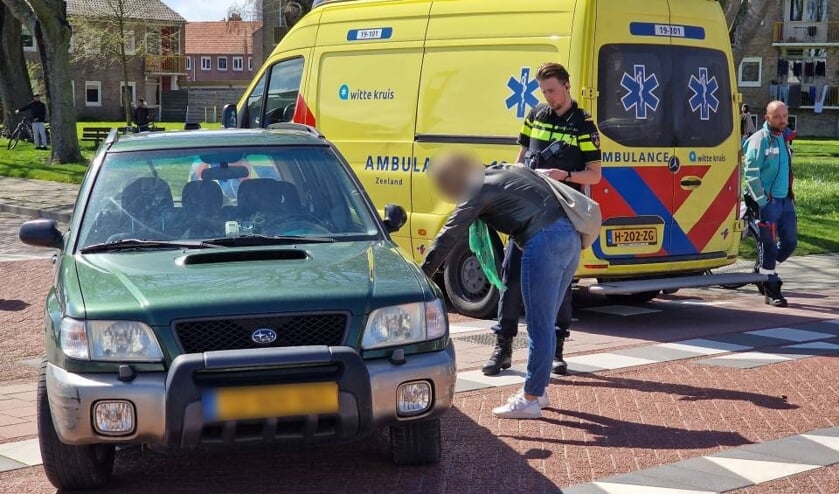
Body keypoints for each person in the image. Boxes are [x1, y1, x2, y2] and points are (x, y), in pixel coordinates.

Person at [422, 151, 581, 419]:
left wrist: (422, 275)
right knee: (547, 320)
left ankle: (530, 398)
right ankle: (539, 390)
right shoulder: (503, 170)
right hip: (570, 237)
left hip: (542, 241)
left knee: (538, 325)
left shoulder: (477, 188)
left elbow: (449, 234)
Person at [483, 62, 602, 377]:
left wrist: (565, 173)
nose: (548, 97)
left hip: (561, 217)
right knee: (511, 279)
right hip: (525, 216)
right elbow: (520, 159)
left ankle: (557, 350)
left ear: (566, 85)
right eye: (544, 91)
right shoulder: (535, 116)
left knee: (558, 286)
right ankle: (503, 348)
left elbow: (595, 174)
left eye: (552, 90)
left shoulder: (583, 124)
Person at [743, 101, 797, 307]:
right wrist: (763, 201)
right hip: (768, 202)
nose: (782, 120)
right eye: (777, 117)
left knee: (790, 243)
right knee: (770, 246)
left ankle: (764, 270)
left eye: (784, 116)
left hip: (785, 200)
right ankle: (770, 285)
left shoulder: (784, 137)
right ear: (767, 118)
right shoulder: (759, 140)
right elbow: (751, 173)